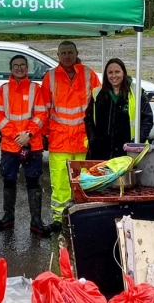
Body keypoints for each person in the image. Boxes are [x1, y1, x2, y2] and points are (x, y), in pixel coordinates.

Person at [39, 41, 100, 234]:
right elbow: (43, 109)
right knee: (60, 183)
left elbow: (99, 105)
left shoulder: (89, 74)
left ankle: (83, 215)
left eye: (70, 52)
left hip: (83, 140)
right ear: (58, 55)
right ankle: (59, 219)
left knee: (85, 181)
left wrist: (96, 135)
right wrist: (44, 135)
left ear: (77, 53)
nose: (66, 56)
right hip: (59, 140)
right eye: (63, 53)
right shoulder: (50, 77)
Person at [0, 55, 50, 235]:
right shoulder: (4, 90)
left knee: (33, 181)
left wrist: (29, 134)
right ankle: (8, 216)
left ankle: (36, 220)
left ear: (27, 68)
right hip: (10, 145)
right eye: (15, 65)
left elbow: (42, 114)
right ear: (10, 69)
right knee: (8, 180)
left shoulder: (36, 89)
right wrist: (17, 136)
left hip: (32, 144)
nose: (19, 68)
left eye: (22, 65)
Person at [85, 58, 154, 160]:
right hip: (101, 153)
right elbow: (89, 119)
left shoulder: (136, 93)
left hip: (128, 152)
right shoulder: (98, 94)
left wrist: (137, 142)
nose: (113, 76)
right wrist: (93, 140)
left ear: (124, 72)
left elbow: (147, 119)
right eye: (110, 72)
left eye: (117, 72)